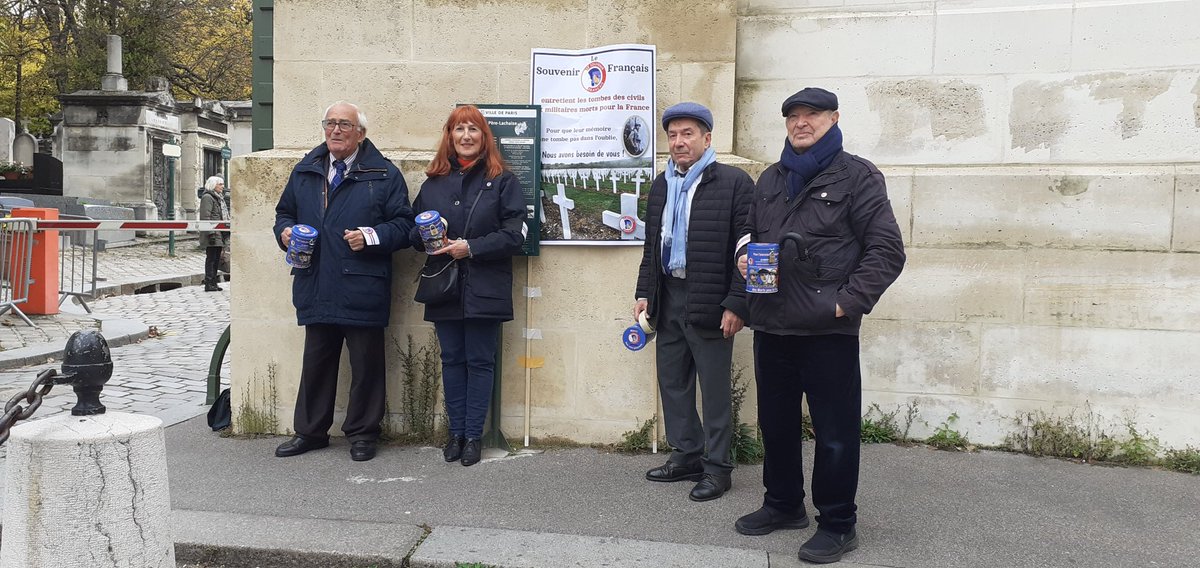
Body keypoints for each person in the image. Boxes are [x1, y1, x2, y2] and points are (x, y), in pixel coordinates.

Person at [733, 87, 905, 564]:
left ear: (834, 117)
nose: (801, 122)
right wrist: (745, 258)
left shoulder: (858, 176)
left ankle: (837, 523)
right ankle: (783, 504)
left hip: (827, 331)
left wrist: (844, 305)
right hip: (771, 325)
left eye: (812, 114)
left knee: (833, 432)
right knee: (777, 425)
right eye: (793, 115)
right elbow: (749, 234)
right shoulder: (769, 178)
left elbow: (887, 250)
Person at [272, 101, 415, 462]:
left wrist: (370, 236)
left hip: (362, 283)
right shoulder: (306, 170)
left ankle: (364, 433)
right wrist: (285, 232)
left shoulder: (383, 174)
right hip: (316, 280)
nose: (335, 130)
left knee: (367, 366)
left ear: (360, 133)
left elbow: (404, 226)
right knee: (316, 361)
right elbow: (283, 212)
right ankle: (310, 431)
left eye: (344, 125)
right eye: (330, 123)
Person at [633, 102, 753, 502]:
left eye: (688, 134)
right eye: (673, 135)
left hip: (711, 300)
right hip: (668, 297)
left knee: (714, 389)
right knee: (673, 382)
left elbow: (747, 250)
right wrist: (643, 293)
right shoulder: (662, 184)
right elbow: (652, 247)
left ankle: (718, 468)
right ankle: (687, 455)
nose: (679, 142)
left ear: (707, 138)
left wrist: (737, 303)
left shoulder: (734, 183)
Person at [414, 105, 527, 467]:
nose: (465, 136)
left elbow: (514, 235)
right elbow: (412, 230)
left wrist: (472, 247)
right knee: (451, 360)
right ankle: (455, 433)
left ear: (484, 137)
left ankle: (474, 436)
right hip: (444, 285)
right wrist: (426, 238)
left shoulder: (503, 181)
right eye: (458, 129)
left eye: (473, 130)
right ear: (449, 136)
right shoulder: (433, 183)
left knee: (480, 361)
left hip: (485, 285)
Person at [198, 175, 229, 292]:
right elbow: (205, 217)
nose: (222, 186)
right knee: (211, 258)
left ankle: (213, 282)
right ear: (213, 185)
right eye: (220, 184)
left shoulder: (217, 197)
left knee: (216, 259)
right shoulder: (207, 197)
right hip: (212, 234)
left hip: (218, 233)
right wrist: (210, 233)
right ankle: (209, 283)